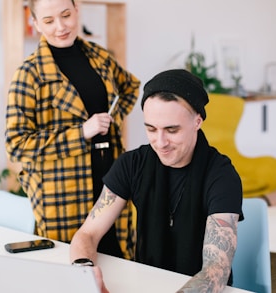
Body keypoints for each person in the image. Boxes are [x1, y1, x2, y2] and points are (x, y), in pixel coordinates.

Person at [70, 69, 244, 292]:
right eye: (151, 129)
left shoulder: (221, 175)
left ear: (197, 122)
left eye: (172, 130)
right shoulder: (132, 164)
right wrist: (85, 273)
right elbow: (87, 234)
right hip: (145, 283)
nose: (160, 142)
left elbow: (215, 270)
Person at [5, 0, 140, 260]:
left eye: (66, 15)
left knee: (120, 260)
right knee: (72, 268)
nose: (61, 27)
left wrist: (113, 120)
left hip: (111, 179)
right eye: (48, 21)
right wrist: (81, 133)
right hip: (61, 192)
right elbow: (16, 145)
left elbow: (130, 87)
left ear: (77, 10)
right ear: (35, 23)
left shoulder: (98, 56)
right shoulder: (28, 74)